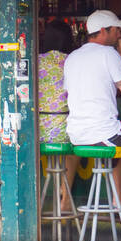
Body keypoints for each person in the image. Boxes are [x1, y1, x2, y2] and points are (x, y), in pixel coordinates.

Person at [64, 9, 121, 206]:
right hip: (103, 134)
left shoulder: (72, 57)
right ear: (104, 31)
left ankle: (118, 200)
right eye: (116, 30)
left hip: (77, 135)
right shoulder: (109, 54)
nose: (119, 34)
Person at [38, 20, 74, 207]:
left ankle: (35, 197)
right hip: (64, 127)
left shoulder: (35, 60)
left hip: (37, 130)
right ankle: (65, 195)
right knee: (74, 144)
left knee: (31, 149)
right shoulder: (72, 61)